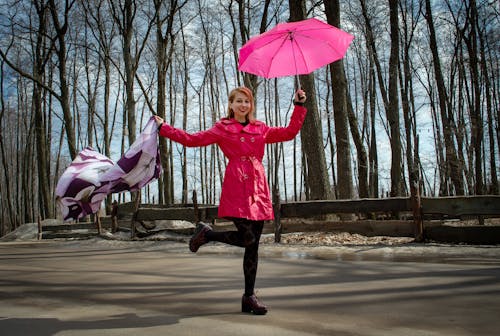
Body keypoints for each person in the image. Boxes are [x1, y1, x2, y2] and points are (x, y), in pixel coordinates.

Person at [155, 86, 307, 315]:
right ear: (231, 104)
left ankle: (249, 297)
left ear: (251, 104)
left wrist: (298, 105)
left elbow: (289, 133)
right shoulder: (222, 129)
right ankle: (207, 234)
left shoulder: (261, 128)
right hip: (237, 184)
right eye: (238, 101)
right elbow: (192, 140)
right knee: (248, 239)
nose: (243, 105)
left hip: (258, 187)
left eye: (246, 101)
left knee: (253, 245)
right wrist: (163, 128)